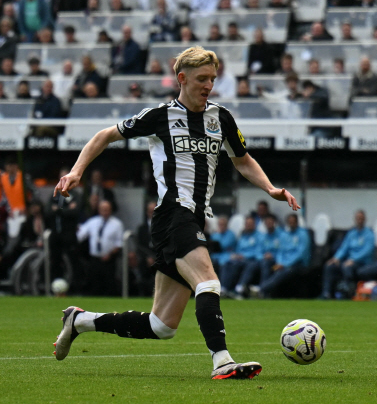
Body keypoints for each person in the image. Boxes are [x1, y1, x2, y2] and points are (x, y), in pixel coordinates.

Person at [52, 46, 300, 380]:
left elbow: (242, 159)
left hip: (194, 218)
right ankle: (222, 360)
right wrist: (77, 171)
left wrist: (270, 188)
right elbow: (105, 135)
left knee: (161, 326)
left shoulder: (221, 118)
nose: (208, 85)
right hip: (173, 214)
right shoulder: (160, 116)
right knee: (209, 282)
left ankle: (80, 321)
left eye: (212, 78)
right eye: (201, 79)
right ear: (181, 79)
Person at [321, 210, 374, 299]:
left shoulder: (369, 234)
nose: (359, 220)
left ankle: (347, 293)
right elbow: (344, 248)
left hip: (362, 262)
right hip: (348, 261)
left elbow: (367, 251)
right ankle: (327, 293)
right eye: (358, 218)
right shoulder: (351, 233)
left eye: (361, 218)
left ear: (365, 219)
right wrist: (336, 258)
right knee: (330, 266)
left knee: (347, 268)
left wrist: (353, 260)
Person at [76, 200, 124, 296]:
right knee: (94, 284)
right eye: (103, 210)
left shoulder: (117, 224)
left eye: (107, 210)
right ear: (99, 210)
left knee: (109, 284)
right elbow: (80, 235)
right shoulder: (92, 222)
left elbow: (119, 243)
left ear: (110, 210)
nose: (105, 212)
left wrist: (110, 254)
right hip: (95, 258)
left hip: (109, 259)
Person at [259, 213, 310, 298]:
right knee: (271, 267)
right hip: (283, 264)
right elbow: (281, 251)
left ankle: (261, 289)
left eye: (293, 222)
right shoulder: (286, 235)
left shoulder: (303, 234)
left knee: (281, 272)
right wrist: (279, 262)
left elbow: (301, 254)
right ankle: (265, 294)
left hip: (297, 265)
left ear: (297, 222)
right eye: (289, 222)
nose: (291, 224)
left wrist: (285, 264)